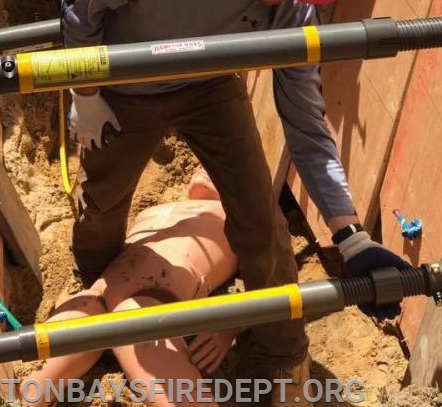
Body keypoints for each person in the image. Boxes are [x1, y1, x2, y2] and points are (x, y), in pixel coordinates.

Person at [61, 0, 408, 402]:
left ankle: (280, 354)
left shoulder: (289, 3)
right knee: (102, 204)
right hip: (122, 85)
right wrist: (86, 96)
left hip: (210, 82)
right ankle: (99, 295)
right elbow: (77, 9)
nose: (296, 0)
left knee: (258, 214)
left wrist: (350, 235)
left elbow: (306, 123)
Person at [22, 168, 281, 407]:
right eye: (199, 165)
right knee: (34, 385)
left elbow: (270, 283)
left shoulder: (240, 216)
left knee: (131, 318)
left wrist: (231, 325)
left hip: (148, 304)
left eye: (211, 166)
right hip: (98, 296)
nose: (202, 168)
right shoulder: (154, 209)